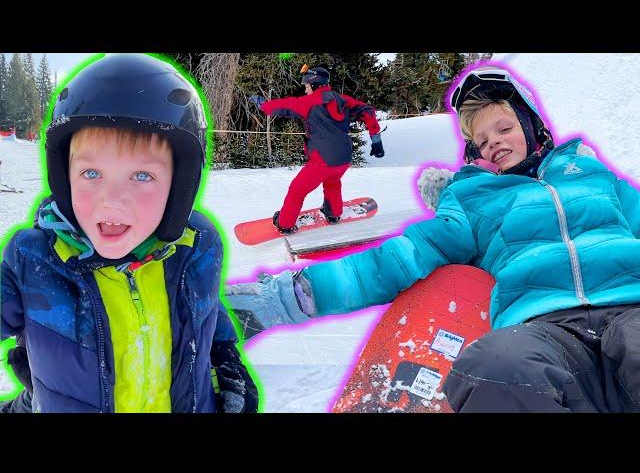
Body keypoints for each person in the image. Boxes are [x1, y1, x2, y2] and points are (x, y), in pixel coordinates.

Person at [227, 64, 640, 412]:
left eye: (504, 127)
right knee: (491, 366)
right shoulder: (473, 198)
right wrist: (286, 299)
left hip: (630, 307)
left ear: (532, 126)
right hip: (543, 326)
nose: (494, 141)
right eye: (481, 139)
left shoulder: (593, 175)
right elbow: (404, 256)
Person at [0, 54, 258, 413]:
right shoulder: (33, 263)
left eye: (142, 176)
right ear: (64, 177)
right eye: (91, 173)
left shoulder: (195, 246)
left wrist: (225, 355)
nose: (112, 200)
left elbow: (206, 309)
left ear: (179, 186)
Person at [248, 64, 384, 234]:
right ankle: (333, 213)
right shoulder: (343, 100)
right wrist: (376, 140)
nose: (305, 91)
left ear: (313, 84)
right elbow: (367, 110)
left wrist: (263, 104)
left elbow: (284, 105)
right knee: (332, 181)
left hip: (323, 160)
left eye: (306, 86)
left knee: (297, 190)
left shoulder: (308, 102)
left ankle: (285, 224)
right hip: (344, 158)